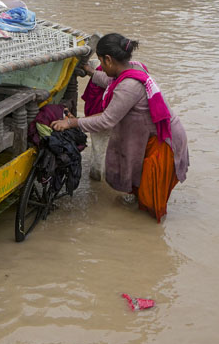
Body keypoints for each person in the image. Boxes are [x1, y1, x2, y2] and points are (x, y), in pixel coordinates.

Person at [51, 34, 189, 222]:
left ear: (108, 59)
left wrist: (71, 123)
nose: (101, 65)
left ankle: (146, 234)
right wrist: (90, 72)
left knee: (151, 199)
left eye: (101, 61)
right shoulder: (134, 68)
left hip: (164, 142)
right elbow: (110, 81)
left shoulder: (128, 86)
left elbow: (106, 121)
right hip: (157, 134)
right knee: (141, 188)